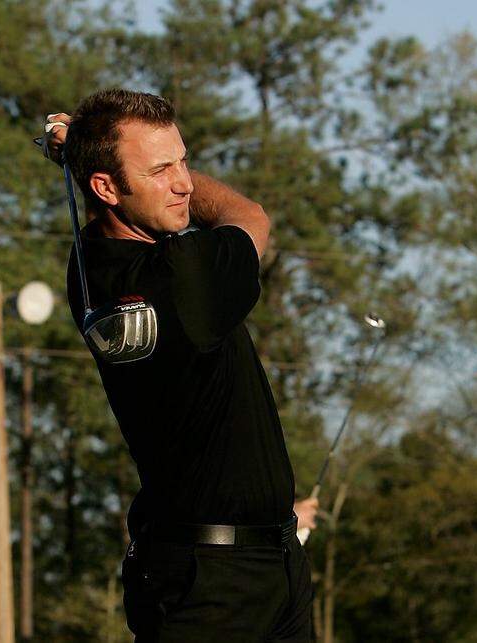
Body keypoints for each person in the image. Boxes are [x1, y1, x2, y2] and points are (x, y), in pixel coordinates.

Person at [40, 88, 319, 641]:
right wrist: (77, 153)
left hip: (257, 564)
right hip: (211, 583)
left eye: (184, 160)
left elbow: (139, 204)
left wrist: (84, 156)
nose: (185, 183)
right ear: (107, 187)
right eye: (161, 169)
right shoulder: (183, 279)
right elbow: (249, 216)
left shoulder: (92, 266)